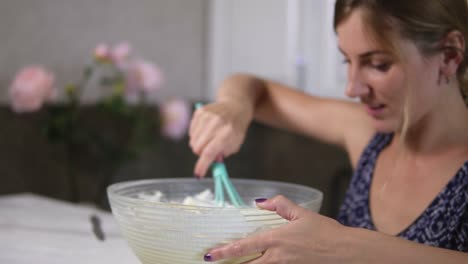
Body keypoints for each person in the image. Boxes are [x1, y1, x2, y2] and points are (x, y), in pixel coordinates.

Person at [189, 0, 468, 262]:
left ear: (450, 54)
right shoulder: (371, 136)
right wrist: (233, 106)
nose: (352, 88)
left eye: (378, 64)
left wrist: (341, 245)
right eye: (348, 61)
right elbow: (253, 88)